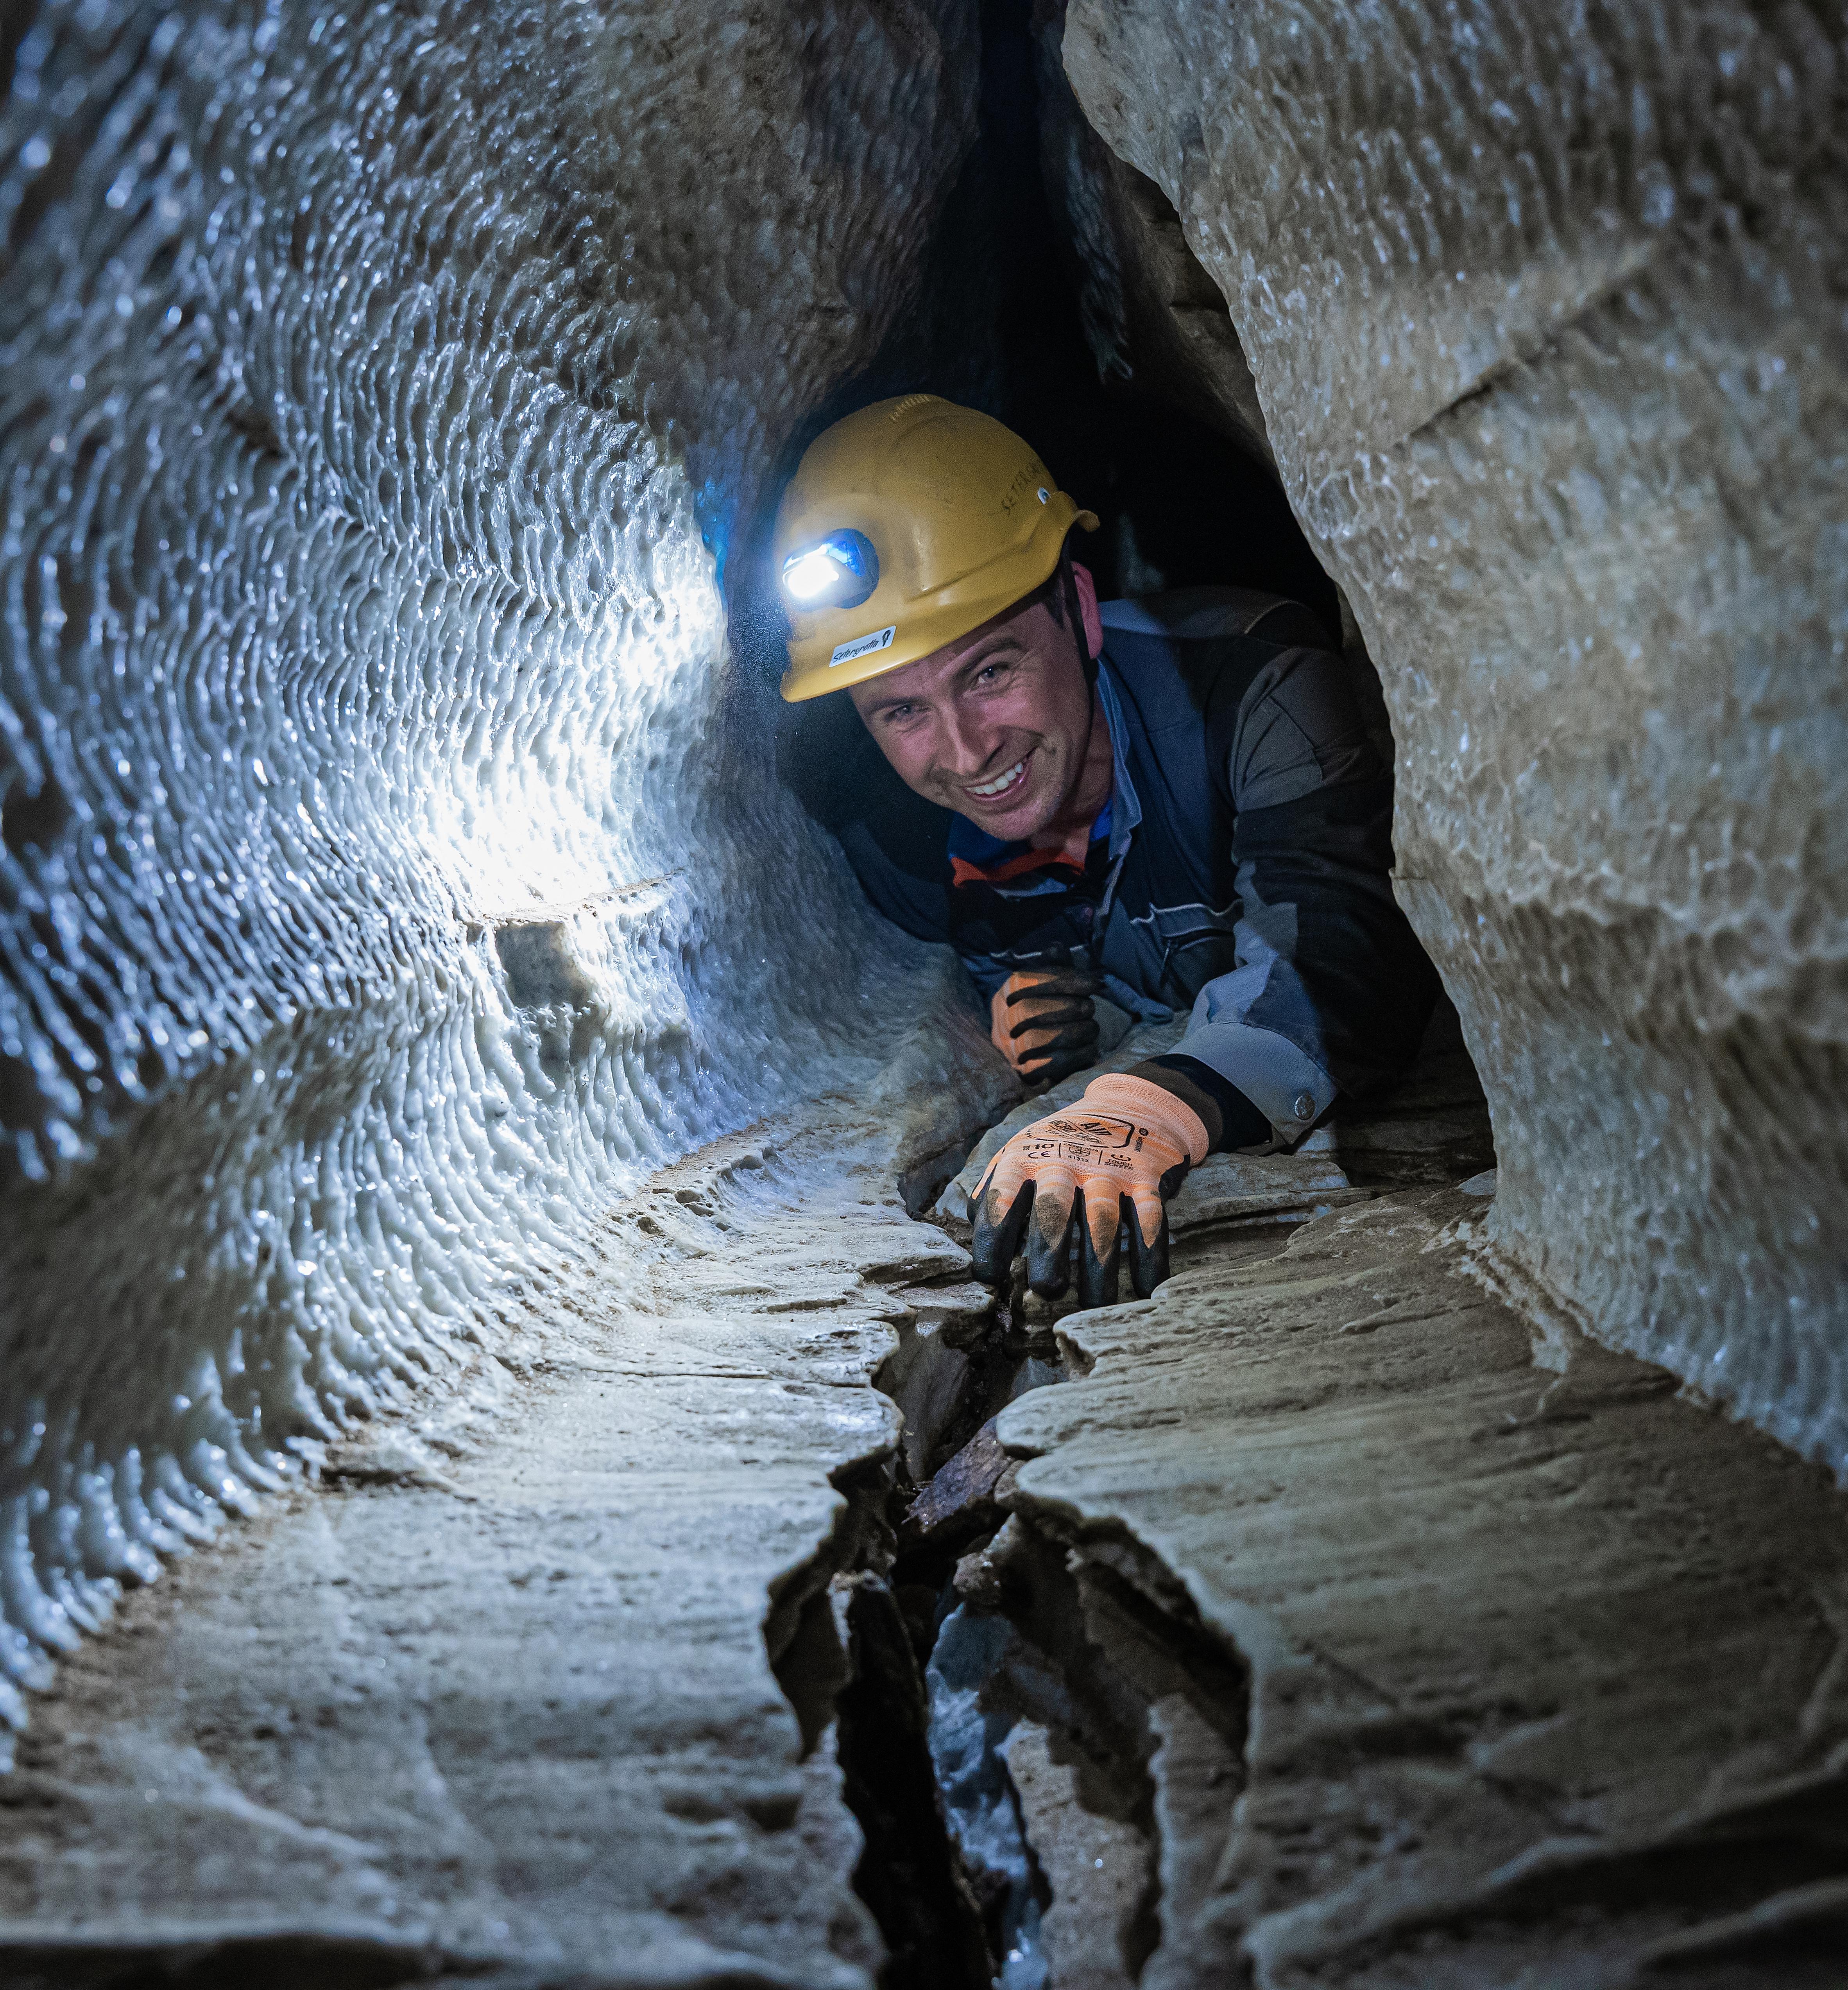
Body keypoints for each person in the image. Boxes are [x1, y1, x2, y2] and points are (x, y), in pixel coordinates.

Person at [774, 395, 1437, 1308]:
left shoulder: (1250, 690)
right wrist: (1074, 1020)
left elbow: (1348, 959)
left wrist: (1150, 1103)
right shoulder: (899, 844)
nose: (966, 752)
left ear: (1080, 612)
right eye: (901, 710)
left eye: (990, 672)